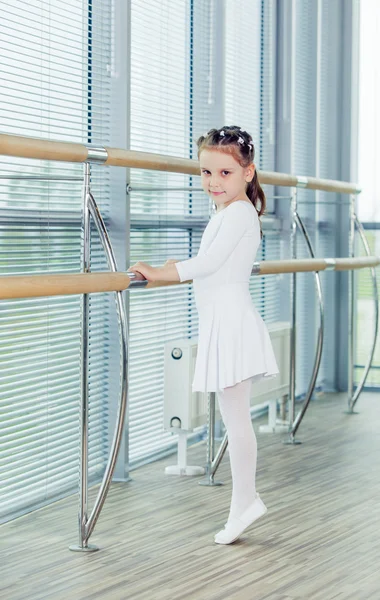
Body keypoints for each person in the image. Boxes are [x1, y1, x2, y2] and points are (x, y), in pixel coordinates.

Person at [129, 125, 279, 545]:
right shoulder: (227, 212)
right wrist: (180, 265)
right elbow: (213, 262)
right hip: (224, 320)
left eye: (225, 173)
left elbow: (211, 263)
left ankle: (245, 503)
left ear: (248, 173)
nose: (214, 182)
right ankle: (243, 503)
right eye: (206, 172)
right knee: (235, 419)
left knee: (237, 420)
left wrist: (161, 272)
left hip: (232, 324)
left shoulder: (239, 213)